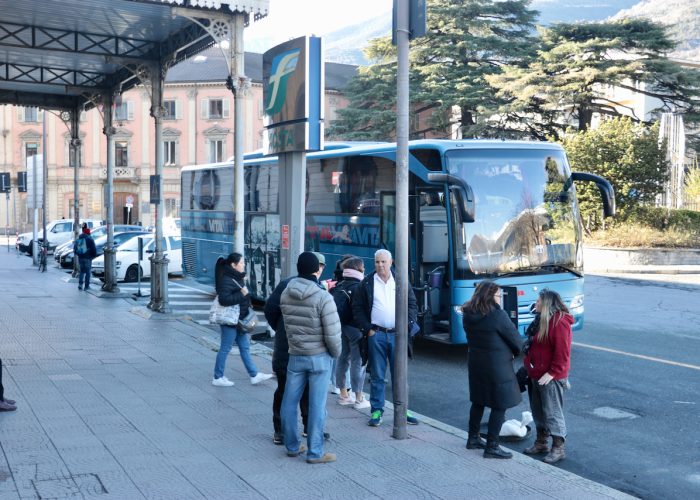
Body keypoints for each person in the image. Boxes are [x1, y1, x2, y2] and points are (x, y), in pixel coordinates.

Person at [280, 252, 341, 464]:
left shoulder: (286, 293)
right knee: (317, 405)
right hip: (319, 357)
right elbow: (333, 335)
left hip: (296, 354)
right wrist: (335, 353)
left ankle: (292, 446)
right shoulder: (323, 297)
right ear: (317, 270)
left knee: (289, 401)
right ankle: (315, 452)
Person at [352, 249, 418, 427]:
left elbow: (412, 303)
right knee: (377, 375)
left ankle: (403, 409)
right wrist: (368, 329)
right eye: (377, 262)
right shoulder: (366, 283)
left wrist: (407, 324)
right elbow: (357, 309)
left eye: (383, 262)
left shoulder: (401, 281)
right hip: (377, 335)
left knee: (400, 375)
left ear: (391, 262)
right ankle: (377, 410)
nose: (380, 265)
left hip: (398, 335)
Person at [461, 280, 523, 459]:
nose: (500, 299)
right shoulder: (497, 315)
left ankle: (473, 439)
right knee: (499, 404)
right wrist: (513, 352)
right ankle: (492, 446)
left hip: (476, 363)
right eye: (498, 295)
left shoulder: (468, 313)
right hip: (497, 365)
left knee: (478, 401)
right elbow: (516, 340)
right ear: (490, 296)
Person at [523, 289, 573, 465]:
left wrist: (552, 372)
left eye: (538, 301)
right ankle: (541, 443)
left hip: (550, 376)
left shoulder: (559, 322)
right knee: (538, 411)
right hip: (536, 374)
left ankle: (558, 448)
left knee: (552, 413)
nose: (535, 304)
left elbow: (563, 352)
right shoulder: (542, 320)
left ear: (547, 304)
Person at [212, 253, 273, 387]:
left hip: (240, 320)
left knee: (245, 348)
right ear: (234, 265)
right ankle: (218, 377)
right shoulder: (227, 279)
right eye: (241, 263)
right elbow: (224, 299)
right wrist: (242, 294)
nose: (244, 265)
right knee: (225, 348)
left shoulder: (236, 277)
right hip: (231, 321)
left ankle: (254, 375)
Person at [265, 273, 310, 446]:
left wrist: (280, 329)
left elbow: (270, 310)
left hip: (289, 348)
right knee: (289, 390)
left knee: (289, 391)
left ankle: (285, 430)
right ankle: (284, 430)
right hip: (294, 350)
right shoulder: (293, 286)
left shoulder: (286, 285)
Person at [332, 257, 370, 410]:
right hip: (356, 329)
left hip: (341, 326)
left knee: (343, 359)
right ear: (359, 270)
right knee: (358, 362)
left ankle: (343, 395)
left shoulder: (338, 286)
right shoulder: (360, 287)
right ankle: (359, 398)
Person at [74, 224, 97, 291]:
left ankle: (80, 285)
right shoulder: (90, 239)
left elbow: (75, 249)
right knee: (88, 272)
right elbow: (94, 249)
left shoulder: (79, 239)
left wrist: (79, 254)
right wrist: (93, 256)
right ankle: (86, 286)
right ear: (88, 233)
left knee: (82, 271)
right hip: (88, 258)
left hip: (80, 257)